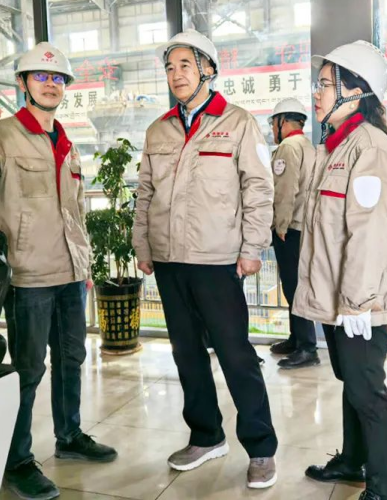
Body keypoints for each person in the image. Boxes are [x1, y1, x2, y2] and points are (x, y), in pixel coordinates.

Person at [0, 42, 117, 500]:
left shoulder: (65, 140)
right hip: (27, 276)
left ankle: (69, 436)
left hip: (69, 274)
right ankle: (17, 460)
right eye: (41, 76)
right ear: (23, 84)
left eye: (58, 78)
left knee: (71, 360)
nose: (51, 84)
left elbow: (74, 211)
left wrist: (84, 264)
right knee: (27, 370)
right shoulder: (2, 135)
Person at [132, 29, 278, 490]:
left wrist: (252, 248)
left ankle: (261, 447)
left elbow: (259, 188)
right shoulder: (158, 130)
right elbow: (145, 194)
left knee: (235, 354)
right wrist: (142, 245)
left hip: (217, 260)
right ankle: (206, 435)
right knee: (186, 352)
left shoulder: (238, 123)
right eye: (170, 67)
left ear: (208, 70)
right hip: (169, 259)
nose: (176, 74)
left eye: (185, 65)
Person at [293, 41, 387, 500]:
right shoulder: (336, 147)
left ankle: (382, 485)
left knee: (366, 389)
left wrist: (358, 303)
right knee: (352, 383)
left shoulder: (371, 148)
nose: (316, 93)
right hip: (340, 298)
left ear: (355, 92)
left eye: (324, 85)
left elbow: (370, 232)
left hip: (360, 301)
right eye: (318, 84)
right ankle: (353, 460)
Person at [267, 98, 319, 369]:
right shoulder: (308, 146)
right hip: (305, 227)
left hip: (291, 228)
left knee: (294, 287)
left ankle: (307, 347)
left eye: (273, 123)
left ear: (283, 122)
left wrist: (281, 225)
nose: (272, 129)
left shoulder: (287, 147)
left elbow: (285, 190)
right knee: (297, 284)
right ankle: (297, 339)